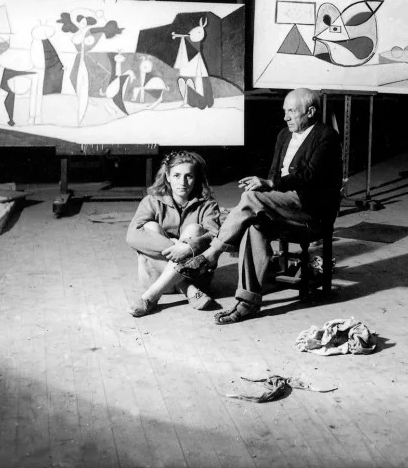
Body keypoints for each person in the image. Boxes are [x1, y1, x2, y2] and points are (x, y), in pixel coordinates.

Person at [179, 87, 342, 325]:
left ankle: (212, 253)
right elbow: (274, 172)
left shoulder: (327, 136)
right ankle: (247, 302)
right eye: (284, 111)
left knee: (251, 199)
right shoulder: (284, 135)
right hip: (283, 204)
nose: (286, 117)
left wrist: (269, 185)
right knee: (253, 225)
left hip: (311, 211)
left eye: (291, 111)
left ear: (310, 112)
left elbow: (310, 176)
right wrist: (266, 188)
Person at [125, 150, 221, 317]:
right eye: (176, 175)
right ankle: (187, 289)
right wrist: (176, 247)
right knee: (150, 227)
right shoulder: (151, 201)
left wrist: (189, 247)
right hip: (156, 277)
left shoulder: (207, 204)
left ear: (196, 177)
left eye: (188, 176)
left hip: (196, 277)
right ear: (167, 176)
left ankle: (150, 298)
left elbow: (217, 237)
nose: (182, 182)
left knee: (194, 229)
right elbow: (132, 236)